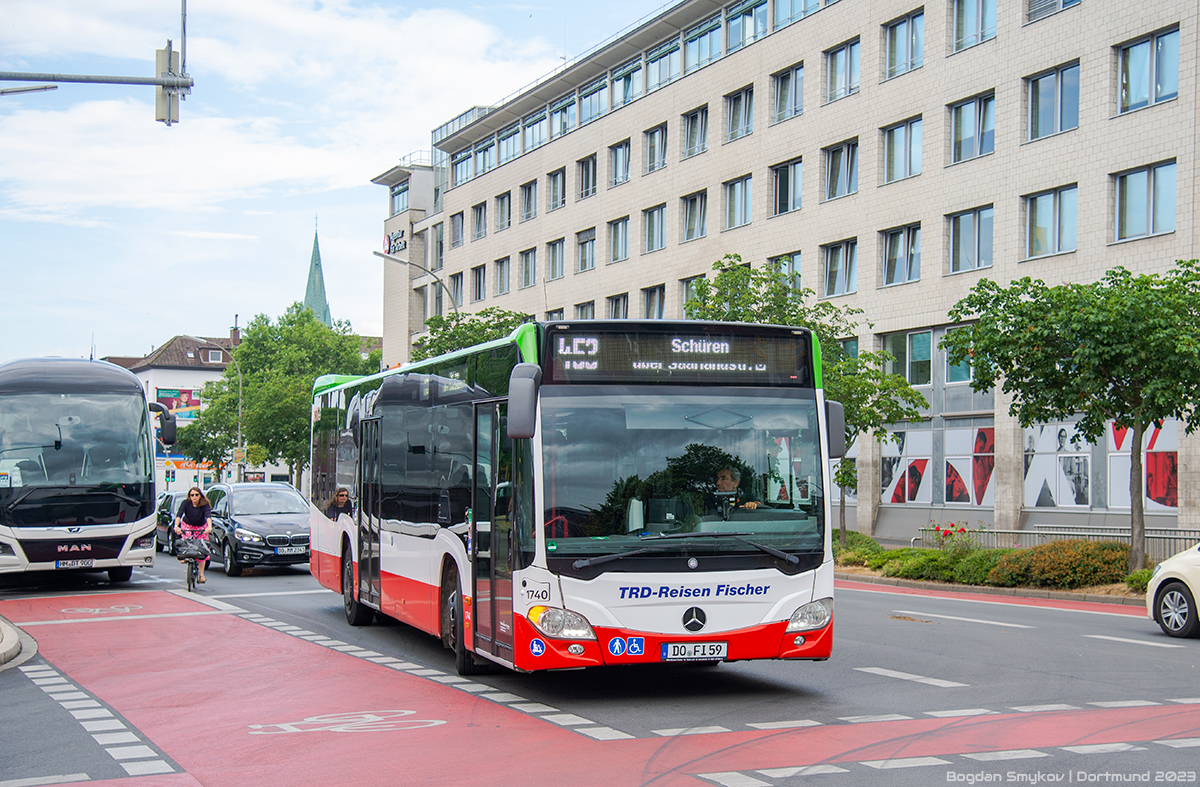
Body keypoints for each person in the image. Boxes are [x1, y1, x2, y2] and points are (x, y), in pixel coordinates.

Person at [175, 487, 213, 583]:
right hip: (187, 526)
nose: (194, 497)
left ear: (200, 496)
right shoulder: (185, 503)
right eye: (192, 495)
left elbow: (208, 516)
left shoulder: (204, 504)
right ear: (189, 496)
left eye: (196, 495)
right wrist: (176, 526)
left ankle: (201, 575)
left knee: (201, 549)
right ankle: (185, 557)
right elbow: (179, 515)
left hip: (201, 527)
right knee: (187, 542)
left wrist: (209, 527)